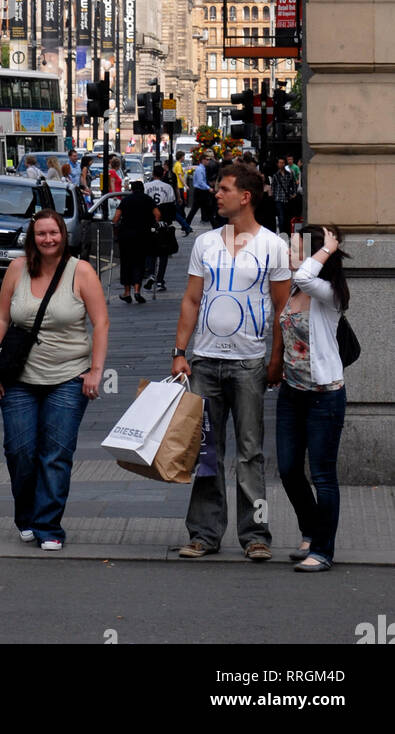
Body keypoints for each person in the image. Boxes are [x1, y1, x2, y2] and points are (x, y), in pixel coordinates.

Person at [171, 163, 291, 561]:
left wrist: (276, 360)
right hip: (205, 362)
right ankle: (204, 534)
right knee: (206, 451)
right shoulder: (205, 243)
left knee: (250, 453)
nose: (216, 194)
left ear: (246, 196)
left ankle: (256, 535)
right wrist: (179, 352)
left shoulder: (273, 245)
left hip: (248, 363)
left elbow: (282, 309)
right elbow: (191, 299)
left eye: (224, 189)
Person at [0, 210, 108, 550]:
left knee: (55, 454)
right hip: (19, 377)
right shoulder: (17, 269)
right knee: (20, 451)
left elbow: (101, 323)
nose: (48, 239)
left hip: (68, 376)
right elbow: (1, 317)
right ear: (33, 237)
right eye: (41, 234)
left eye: (53, 233)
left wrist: (96, 371)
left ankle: (48, 525)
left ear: (63, 235)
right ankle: (26, 517)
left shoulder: (81, 271)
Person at [277, 224, 348, 573]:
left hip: (324, 396)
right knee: (289, 469)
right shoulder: (295, 287)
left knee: (322, 475)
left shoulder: (327, 292)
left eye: (295, 247)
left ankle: (322, 550)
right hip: (292, 393)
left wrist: (328, 247)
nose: (289, 253)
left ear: (316, 253)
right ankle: (310, 531)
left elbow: (306, 275)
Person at [112, 180, 159, 304]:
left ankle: (127, 292)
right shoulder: (148, 199)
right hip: (142, 235)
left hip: (126, 236)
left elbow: (116, 217)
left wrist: (115, 224)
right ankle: (137, 291)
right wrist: (152, 223)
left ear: (132, 189)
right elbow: (157, 214)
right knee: (139, 262)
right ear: (143, 189)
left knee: (126, 263)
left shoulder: (126, 200)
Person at [271, 158, 298, 233]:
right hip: (278, 199)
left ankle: (287, 233)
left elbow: (294, 184)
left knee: (287, 218)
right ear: (277, 164)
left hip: (287, 199)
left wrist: (294, 194)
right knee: (281, 218)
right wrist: (274, 196)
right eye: (280, 163)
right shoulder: (275, 175)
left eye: (282, 163)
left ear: (284, 164)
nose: (281, 164)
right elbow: (273, 187)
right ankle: (282, 234)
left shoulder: (289, 174)